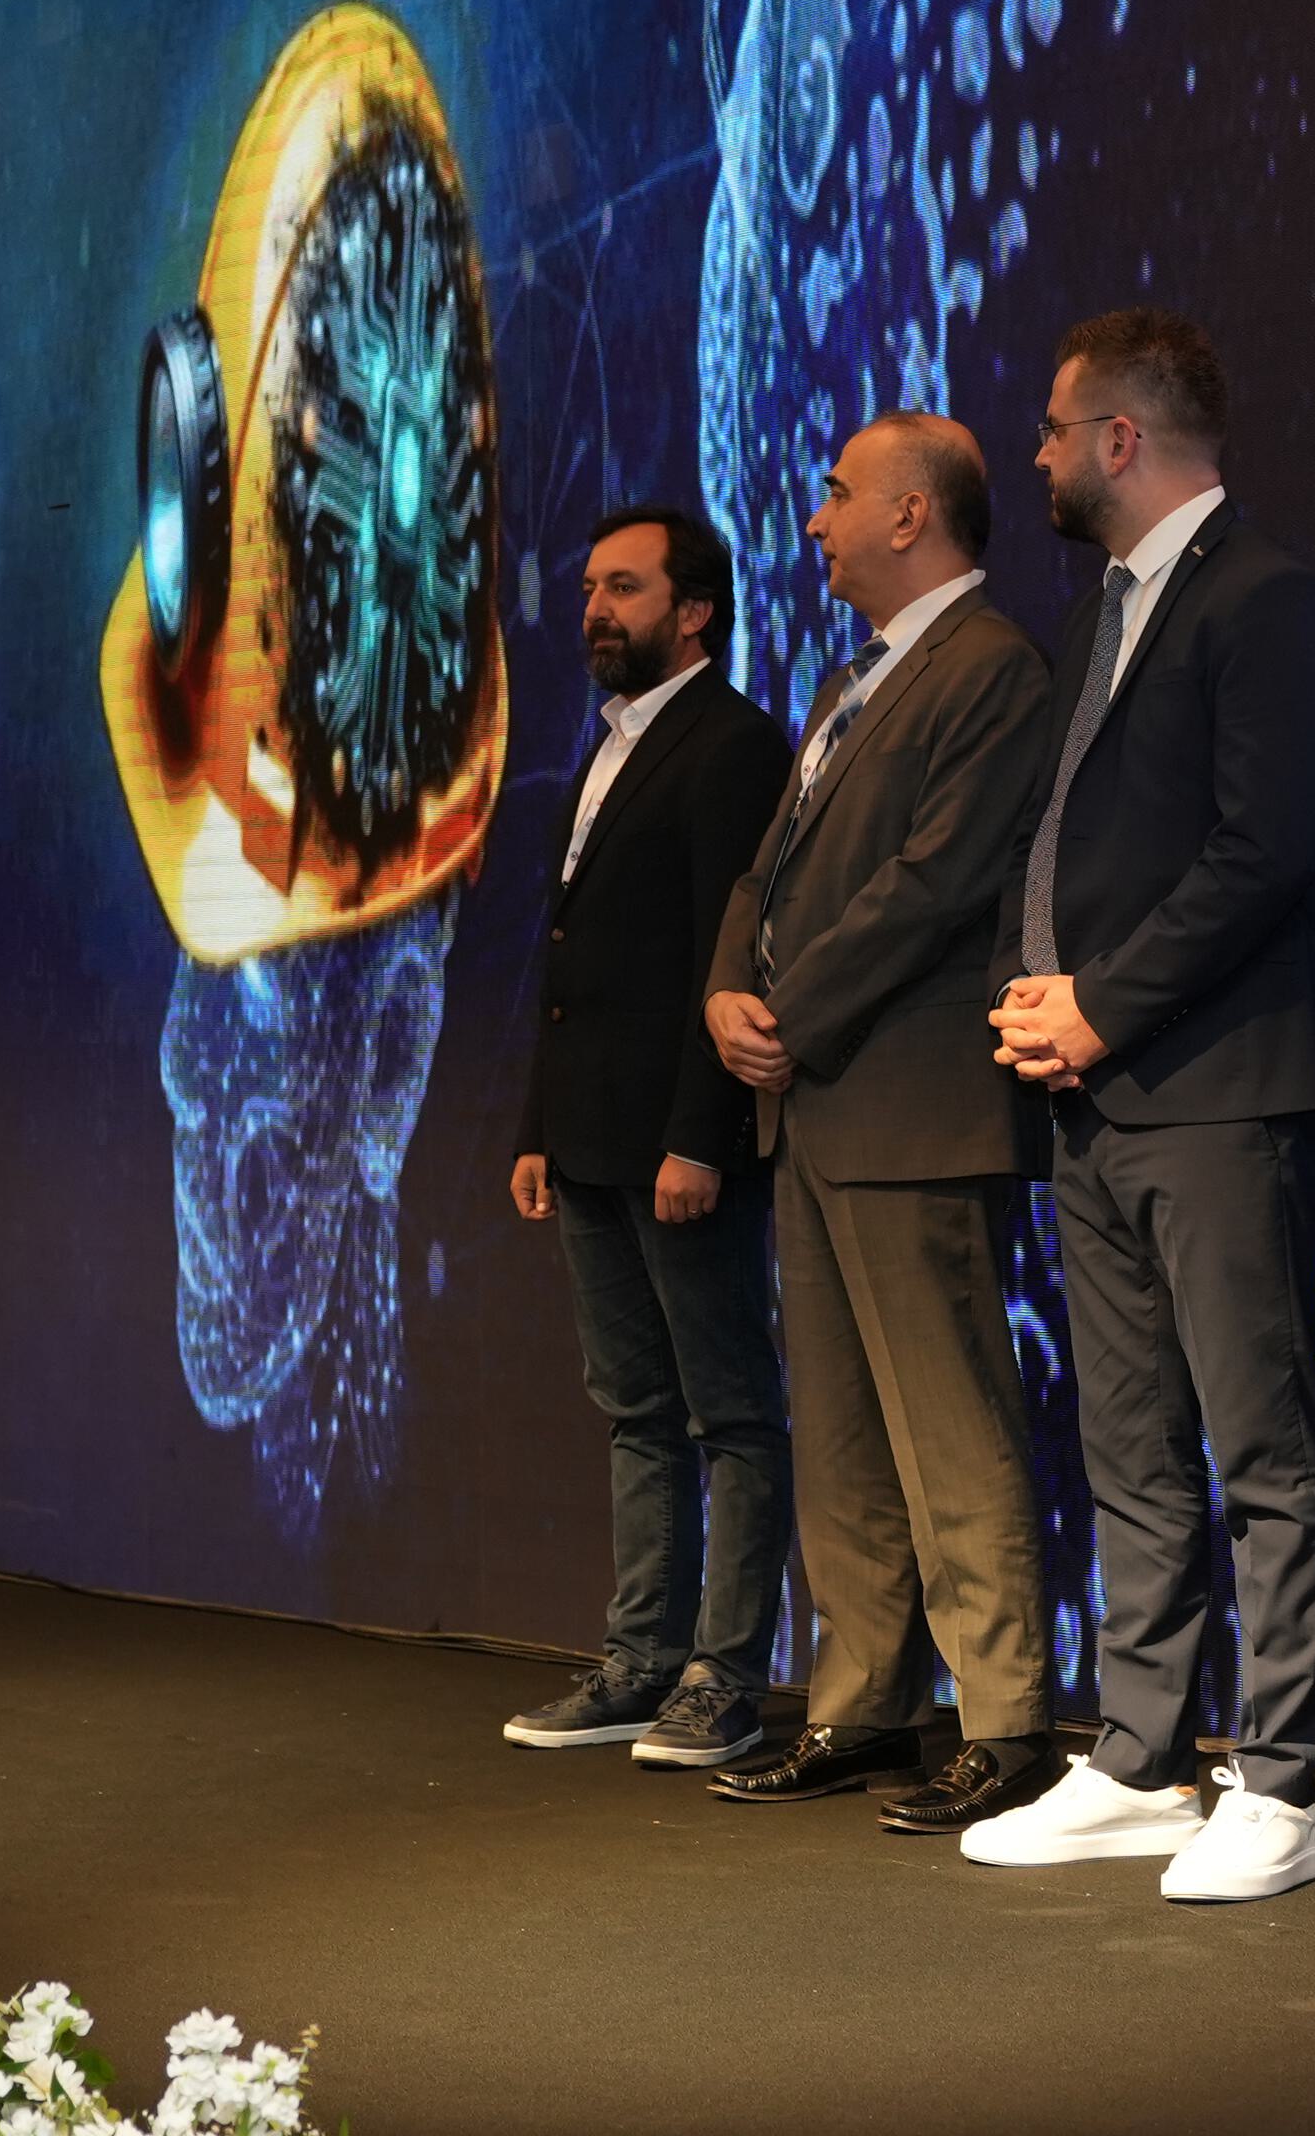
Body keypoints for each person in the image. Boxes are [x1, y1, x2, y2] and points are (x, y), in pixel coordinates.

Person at [965, 308, 1315, 1902]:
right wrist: (1034, 997)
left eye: (1057, 430)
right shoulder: (1101, 617)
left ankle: (1283, 1781)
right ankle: (1140, 1757)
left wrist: (1104, 1004)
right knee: (1126, 1443)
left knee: (1258, 1442)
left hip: (1216, 1098)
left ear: (1121, 439)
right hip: (1098, 1103)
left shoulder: (1267, 600)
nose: (1039, 456)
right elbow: (1067, 842)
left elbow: (1264, 854)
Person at [699, 415, 1066, 1833]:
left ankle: (1006, 1718)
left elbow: (937, 878)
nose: (816, 520)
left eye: (839, 493)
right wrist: (728, 989)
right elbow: (768, 869)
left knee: (948, 1419)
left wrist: (786, 1010)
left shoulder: (992, 669)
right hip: (817, 1103)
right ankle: (861, 1704)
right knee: (843, 1429)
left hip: (911, 1102)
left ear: (913, 514)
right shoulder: (850, 679)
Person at [498, 509, 793, 1762]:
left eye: (623, 587)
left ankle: (725, 1675)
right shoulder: (610, 745)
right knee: (635, 1408)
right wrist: (539, 1126)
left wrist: (702, 1138)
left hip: (678, 1146)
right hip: (590, 1143)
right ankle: (640, 1661)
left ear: (695, 610)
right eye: (588, 588)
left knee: (729, 1410)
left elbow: (725, 962)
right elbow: (572, 962)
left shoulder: (732, 744)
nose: (594, 610)